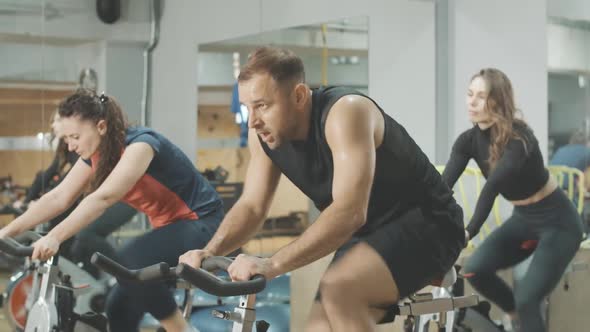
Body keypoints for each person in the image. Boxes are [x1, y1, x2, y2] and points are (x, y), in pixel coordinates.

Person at [179, 46, 466, 331]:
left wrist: (273, 264)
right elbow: (252, 207)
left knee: (341, 292)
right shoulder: (263, 137)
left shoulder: (345, 113)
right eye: (247, 107)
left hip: (430, 222)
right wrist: (209, 250)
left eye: (262, 105)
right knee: (318, 327)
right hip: (369, 235)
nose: (252, 120)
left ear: (300, 96)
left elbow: (350, 211)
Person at [0, 89, 223, 332]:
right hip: (170, 228)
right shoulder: (97, 155)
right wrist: (7, 231)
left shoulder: (141, 145)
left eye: (75, 136)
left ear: (102, 126)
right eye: (66, 139)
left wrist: (55, 236)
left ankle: (181, 330)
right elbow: (58, 197)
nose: (71, 146)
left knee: (131, 260)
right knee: (117, 307)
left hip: (203, 223)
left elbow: (103, 198)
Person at [442, 68, 583, 332]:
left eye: (481, 96)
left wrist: (469, 232)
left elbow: (493, 186)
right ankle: (516, 317)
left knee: (528, 298)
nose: (471, 102)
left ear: (497, 101)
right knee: (474, 269)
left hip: (558, 221)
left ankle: (524, 314)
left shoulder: (520, 137)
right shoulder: (468, 141)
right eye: (469, 94)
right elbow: (443, 186)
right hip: (523, 220)